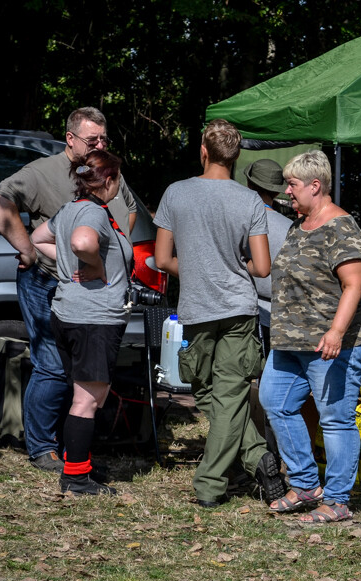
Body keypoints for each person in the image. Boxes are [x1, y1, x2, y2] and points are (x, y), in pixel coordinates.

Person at [0, 107, 138, 472]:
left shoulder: (103, 171)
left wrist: (116, 250)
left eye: (104, 139)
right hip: (50, 281)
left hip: (95, 296)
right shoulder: (43, 172)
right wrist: (27, 250)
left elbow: (130, 208)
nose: (99, 145)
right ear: (70, 139)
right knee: (52, 364)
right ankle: (41, 447)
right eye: (92, 140)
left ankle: (76, 445)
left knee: (82, 372)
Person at [153, 119, 281, 508]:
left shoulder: (176, 193)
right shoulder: (249, 201)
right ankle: (258, 455)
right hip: (239, 308)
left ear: (203, 152)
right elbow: (262, 268)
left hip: (198, 306)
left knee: (214, 391)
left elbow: (161, 259)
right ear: (237, 158)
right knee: (221, 393)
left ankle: (209, 485)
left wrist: (194, 268)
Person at [260, 150, 361, 523]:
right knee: (274, 400)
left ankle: (339, 499)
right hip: (292, 342)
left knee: (334, 418)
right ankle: (306, 484)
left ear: (316, 185)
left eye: (293, 186)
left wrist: (336, 332)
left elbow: (355, 283)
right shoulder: (300, 225)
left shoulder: (341, 227)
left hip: (333, 343)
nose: (287, 193)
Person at [29, 151, 131, 494]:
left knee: (85, 395)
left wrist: (69, 263)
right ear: (110, 180)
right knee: (86, 400)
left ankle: (80, 463)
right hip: (93, 319)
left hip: (71, 313)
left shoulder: (71, 208)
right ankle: (75, 478)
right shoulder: (92, 212)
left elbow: (38, 238)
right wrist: (93, 265)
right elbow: (82, 241)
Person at [243, 158, 293, 356]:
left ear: (248, 184)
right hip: (277, 315)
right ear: (276, 191)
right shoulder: (290, 227)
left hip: (240, 310)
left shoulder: (237, 220)